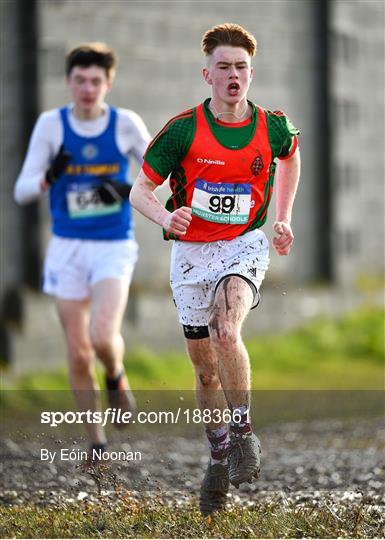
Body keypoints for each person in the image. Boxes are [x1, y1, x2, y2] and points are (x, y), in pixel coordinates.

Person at [130, 22, 300, 515]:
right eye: (223, 67)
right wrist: (167, 215)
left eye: (241, 67)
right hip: (190, 256)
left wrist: (283, 217)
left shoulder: (271, 125)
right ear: (207, 74)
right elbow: (140, 190)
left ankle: (245, 432)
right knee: (205, 373)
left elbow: (291, 158)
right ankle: (219, 458)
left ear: (251, 72)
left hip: (243, 245)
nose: (233, 75)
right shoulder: (182, 130)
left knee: (227, 328)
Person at [14, 42, 151, 461]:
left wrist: (128, 189)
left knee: (101, 336)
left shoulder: (125, 124)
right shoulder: (51, 126)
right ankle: (96, 441)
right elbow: (21, 191)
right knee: (76, 350)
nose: (87, 89)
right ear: (69, 82)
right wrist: (48, 177)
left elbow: (160, 173)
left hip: (112, 245)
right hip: (67, 248)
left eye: (96, 81)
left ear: (108, 83)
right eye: (79, 80)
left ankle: (115, 373)